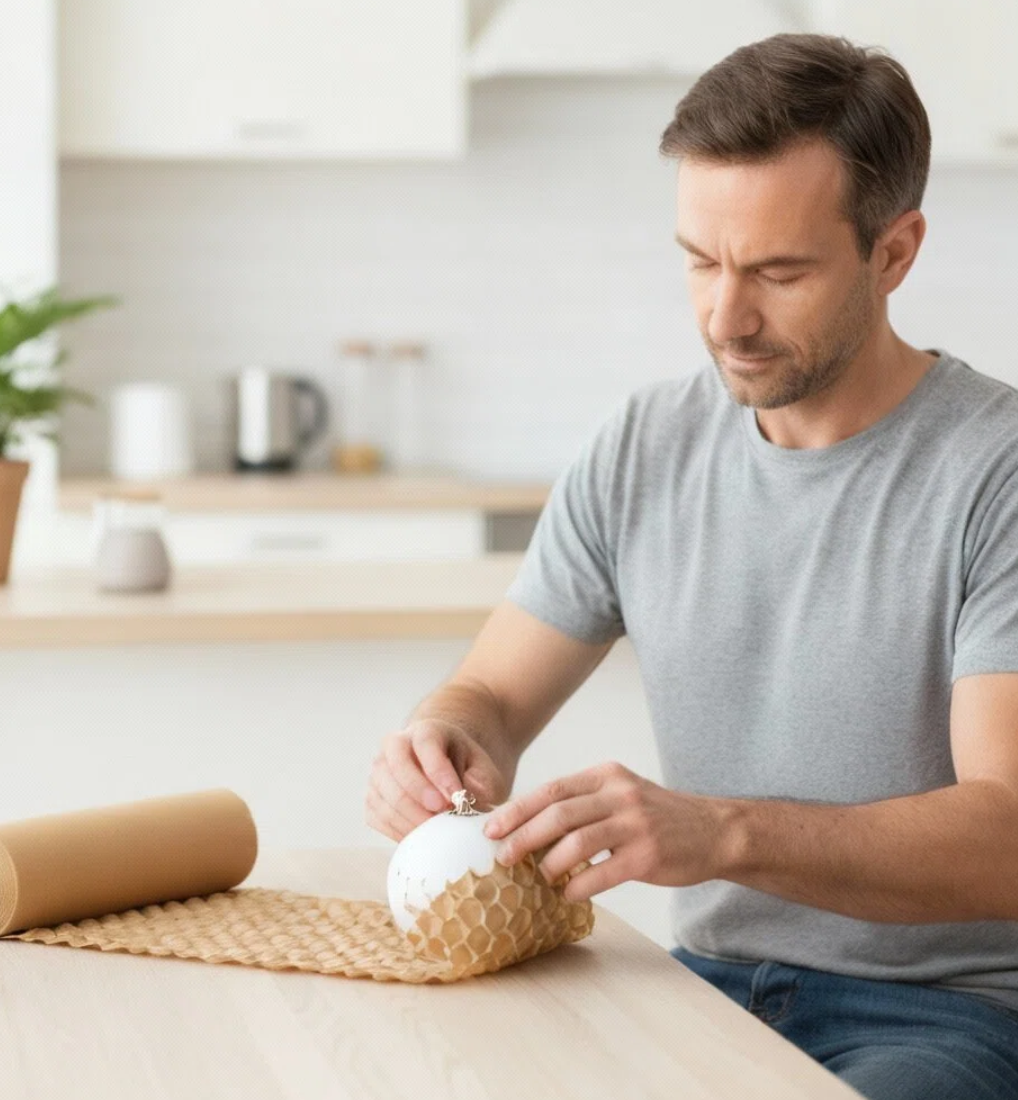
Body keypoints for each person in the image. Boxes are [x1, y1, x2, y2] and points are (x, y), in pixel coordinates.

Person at [364, 31, 1018, 1100]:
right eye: (700, 261)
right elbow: (488, 692)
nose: (725, 317)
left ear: (894, 253)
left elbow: (1006, 831)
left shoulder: (995, 472)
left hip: (941, 1015)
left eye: (779, 271)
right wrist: (445, 739)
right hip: (695, 988)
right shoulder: (643, 447)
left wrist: (717, 830)